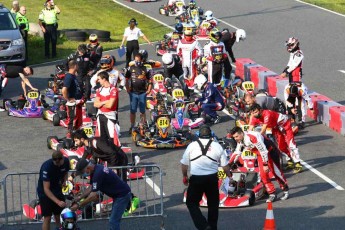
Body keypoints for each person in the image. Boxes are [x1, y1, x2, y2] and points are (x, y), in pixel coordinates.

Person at [181, 125, 231, 230]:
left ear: (198, 135)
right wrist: (229, 175)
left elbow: (184, 164)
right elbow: (225, 166)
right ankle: (212, 227)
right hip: (212, 179)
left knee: (191, 203)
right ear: (211, 135)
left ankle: (203, 226)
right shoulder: (217, 146)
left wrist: (185, 176)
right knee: (213, 205)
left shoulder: (192, 146)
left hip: (196, 178)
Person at [230, 126, 289, 202]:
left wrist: (265, 164)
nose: (235, 139)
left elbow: (263, 151)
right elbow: (237, 152)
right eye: (234, 137)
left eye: (236, 136)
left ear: (241, 133)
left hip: (270, 152)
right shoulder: (240, 141)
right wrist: (229, 164)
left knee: (276, 173)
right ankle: (272, 193)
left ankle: (285, 190)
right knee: (263, 174)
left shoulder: (252, 137)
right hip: (260, 155)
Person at [70, 159, 132, 230]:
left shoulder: (98, 173)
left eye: (82, 172)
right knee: (114, 220)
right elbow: (91, 187)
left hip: (122, 195)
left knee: (113, 221)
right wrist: (79, 197)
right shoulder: (96, 168)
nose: (82, 174)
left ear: (88, 168)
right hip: (118, 195)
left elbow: (93, 196)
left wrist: (79, 205)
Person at [248, 103, 302, 173]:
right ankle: (290, 161)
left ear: (260, 110)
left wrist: (257, 139)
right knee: (281, 147)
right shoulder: (254, 118)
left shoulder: (267, 114)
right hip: (276, 128)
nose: (255, 114)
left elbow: (263, 129)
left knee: (291, 144)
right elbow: (249, 130)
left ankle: (298, 164)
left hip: (285, 125)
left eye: (256, 112)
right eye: (253, 113)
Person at [37, 151, 70, 230]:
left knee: (59, 215)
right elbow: (46, 189)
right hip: (44, 193)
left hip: (57, 189)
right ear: (53, 160)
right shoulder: (46, 167)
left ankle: (59, 228)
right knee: (47, 217)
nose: (58, 165)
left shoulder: (66, 161)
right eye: (56, 163)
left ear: (63, 159)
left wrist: (65, 181)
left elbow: (65, 172)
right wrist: (58, 202)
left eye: (60, 163)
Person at [125, 53, 152, 133]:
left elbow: (150, 80)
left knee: (142, 111)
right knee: (133, 110)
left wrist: (149, 89)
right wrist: (127, 89)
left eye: (138, 60)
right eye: (136, 60)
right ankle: (132, 126)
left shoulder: (146, 69)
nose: (137, 62)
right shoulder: (130, 68)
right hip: (133, 93)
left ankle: (143, 125)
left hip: (143, 93)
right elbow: (126, 79)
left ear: (142, 60)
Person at [93, 71, 120, 145]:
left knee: (111, 137)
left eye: (99, 79)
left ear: (104, 79)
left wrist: (100, 103)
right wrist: (104, 102)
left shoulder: (113, 89)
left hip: (110, 116)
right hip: (100, 115)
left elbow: (110, 105)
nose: (98, 81)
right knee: (101, 137)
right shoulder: (99, 90)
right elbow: (95, 104)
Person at [62, 60, 83, 137]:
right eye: (77, 65)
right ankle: (71, 135)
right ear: (74, 66)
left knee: (78, 121)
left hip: (78, 102)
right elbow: (64, 90)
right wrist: (68, 99)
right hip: (72, 103)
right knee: (73, 120)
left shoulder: (73, 76)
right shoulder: (69, 77)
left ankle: (78, 135)